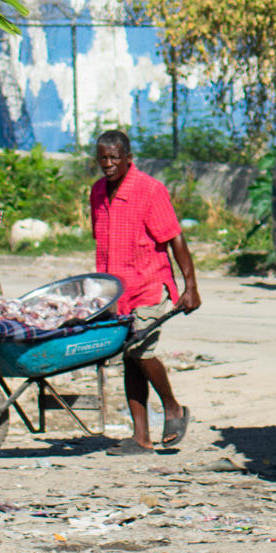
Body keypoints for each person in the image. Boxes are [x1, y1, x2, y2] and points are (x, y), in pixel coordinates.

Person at [90, 129, 201, 454]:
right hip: (116, 293)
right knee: (130, 357)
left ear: (128, 160)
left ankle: (173, 408)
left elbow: (175, 239)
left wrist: (190, 287)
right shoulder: (97, 193)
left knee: (140, 350)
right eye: (102, 159)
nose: (107, 165)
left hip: (148, 286)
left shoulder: (150, 191)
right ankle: (140, 437)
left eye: (113, 159)